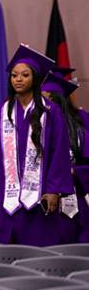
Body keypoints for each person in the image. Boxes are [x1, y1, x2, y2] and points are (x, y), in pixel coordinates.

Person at [0, 45, 73, 245]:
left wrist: (54, 190)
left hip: (39, 200)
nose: (18, 79)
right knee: (3, 251)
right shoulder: (3, 111)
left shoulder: (50, 111)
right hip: (7, 198)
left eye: (24, 75)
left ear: (35, 78)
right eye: (14, 75)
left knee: (38, 250)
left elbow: (59, 153)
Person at [41, 71, 88, 243]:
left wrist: (74, 172)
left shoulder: (78, 131)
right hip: (43, 198)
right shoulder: (34, 128)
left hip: (74, 200)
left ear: (55, 100)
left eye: (45, 98)